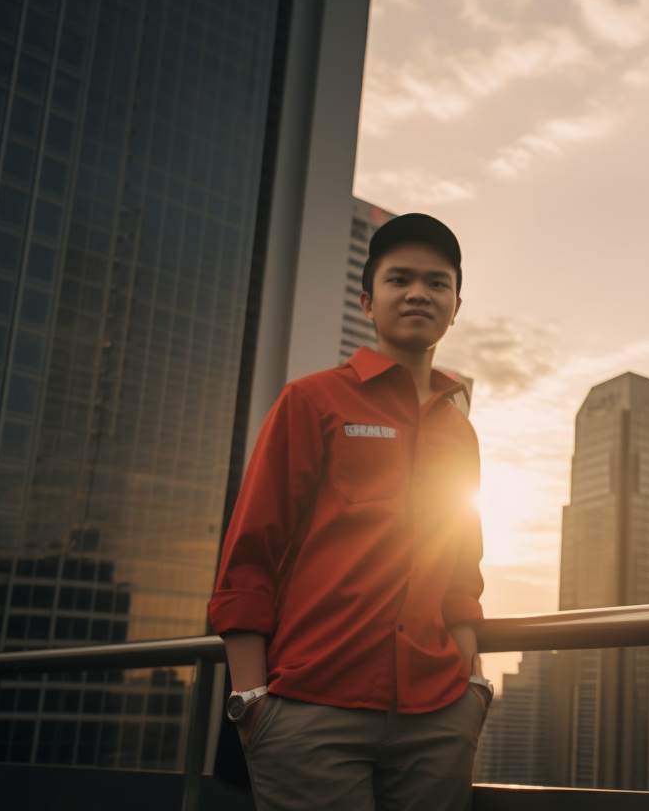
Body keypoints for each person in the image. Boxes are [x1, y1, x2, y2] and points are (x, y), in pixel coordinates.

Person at [208, 214, 491, 811]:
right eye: (400, 280)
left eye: (438, 283)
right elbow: (248, 560)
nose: (419, 293)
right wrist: (249, 700)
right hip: (312, 713)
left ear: (456, 305)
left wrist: (474, 688)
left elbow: (462, 574)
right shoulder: (312, 401)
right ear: (368, 300)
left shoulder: (458, 432)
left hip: (437, 719)